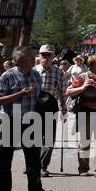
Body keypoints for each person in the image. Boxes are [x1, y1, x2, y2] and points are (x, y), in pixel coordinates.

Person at [0, 46, 52, 191]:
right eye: (31, 57)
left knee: (33, 159)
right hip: (11, 121)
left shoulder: (35, 74)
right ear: (20, 60)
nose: (35, 60)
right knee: (6, 159)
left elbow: (38, 94)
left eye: (34, 56)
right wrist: (21, 94)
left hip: (31, 121)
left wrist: (42, 100)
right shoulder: (7, 76)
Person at [65, 53, 96, 177]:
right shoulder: (83, 77)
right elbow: (68, 91)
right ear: (95, 65)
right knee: (85, 142)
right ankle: (83, 168)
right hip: (86, 112)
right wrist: (83, 88)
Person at [33, 45, 68, 178]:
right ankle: (31, 165)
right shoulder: (33, 71)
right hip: (34, 107)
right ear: (39, 56)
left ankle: (42, 166)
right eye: (43, 55)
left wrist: (64, 111)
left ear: (53, 57)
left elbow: (63, 94)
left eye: (49, 55)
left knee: (48, 139)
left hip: (50, 107)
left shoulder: (59, 73)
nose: (46, 58)